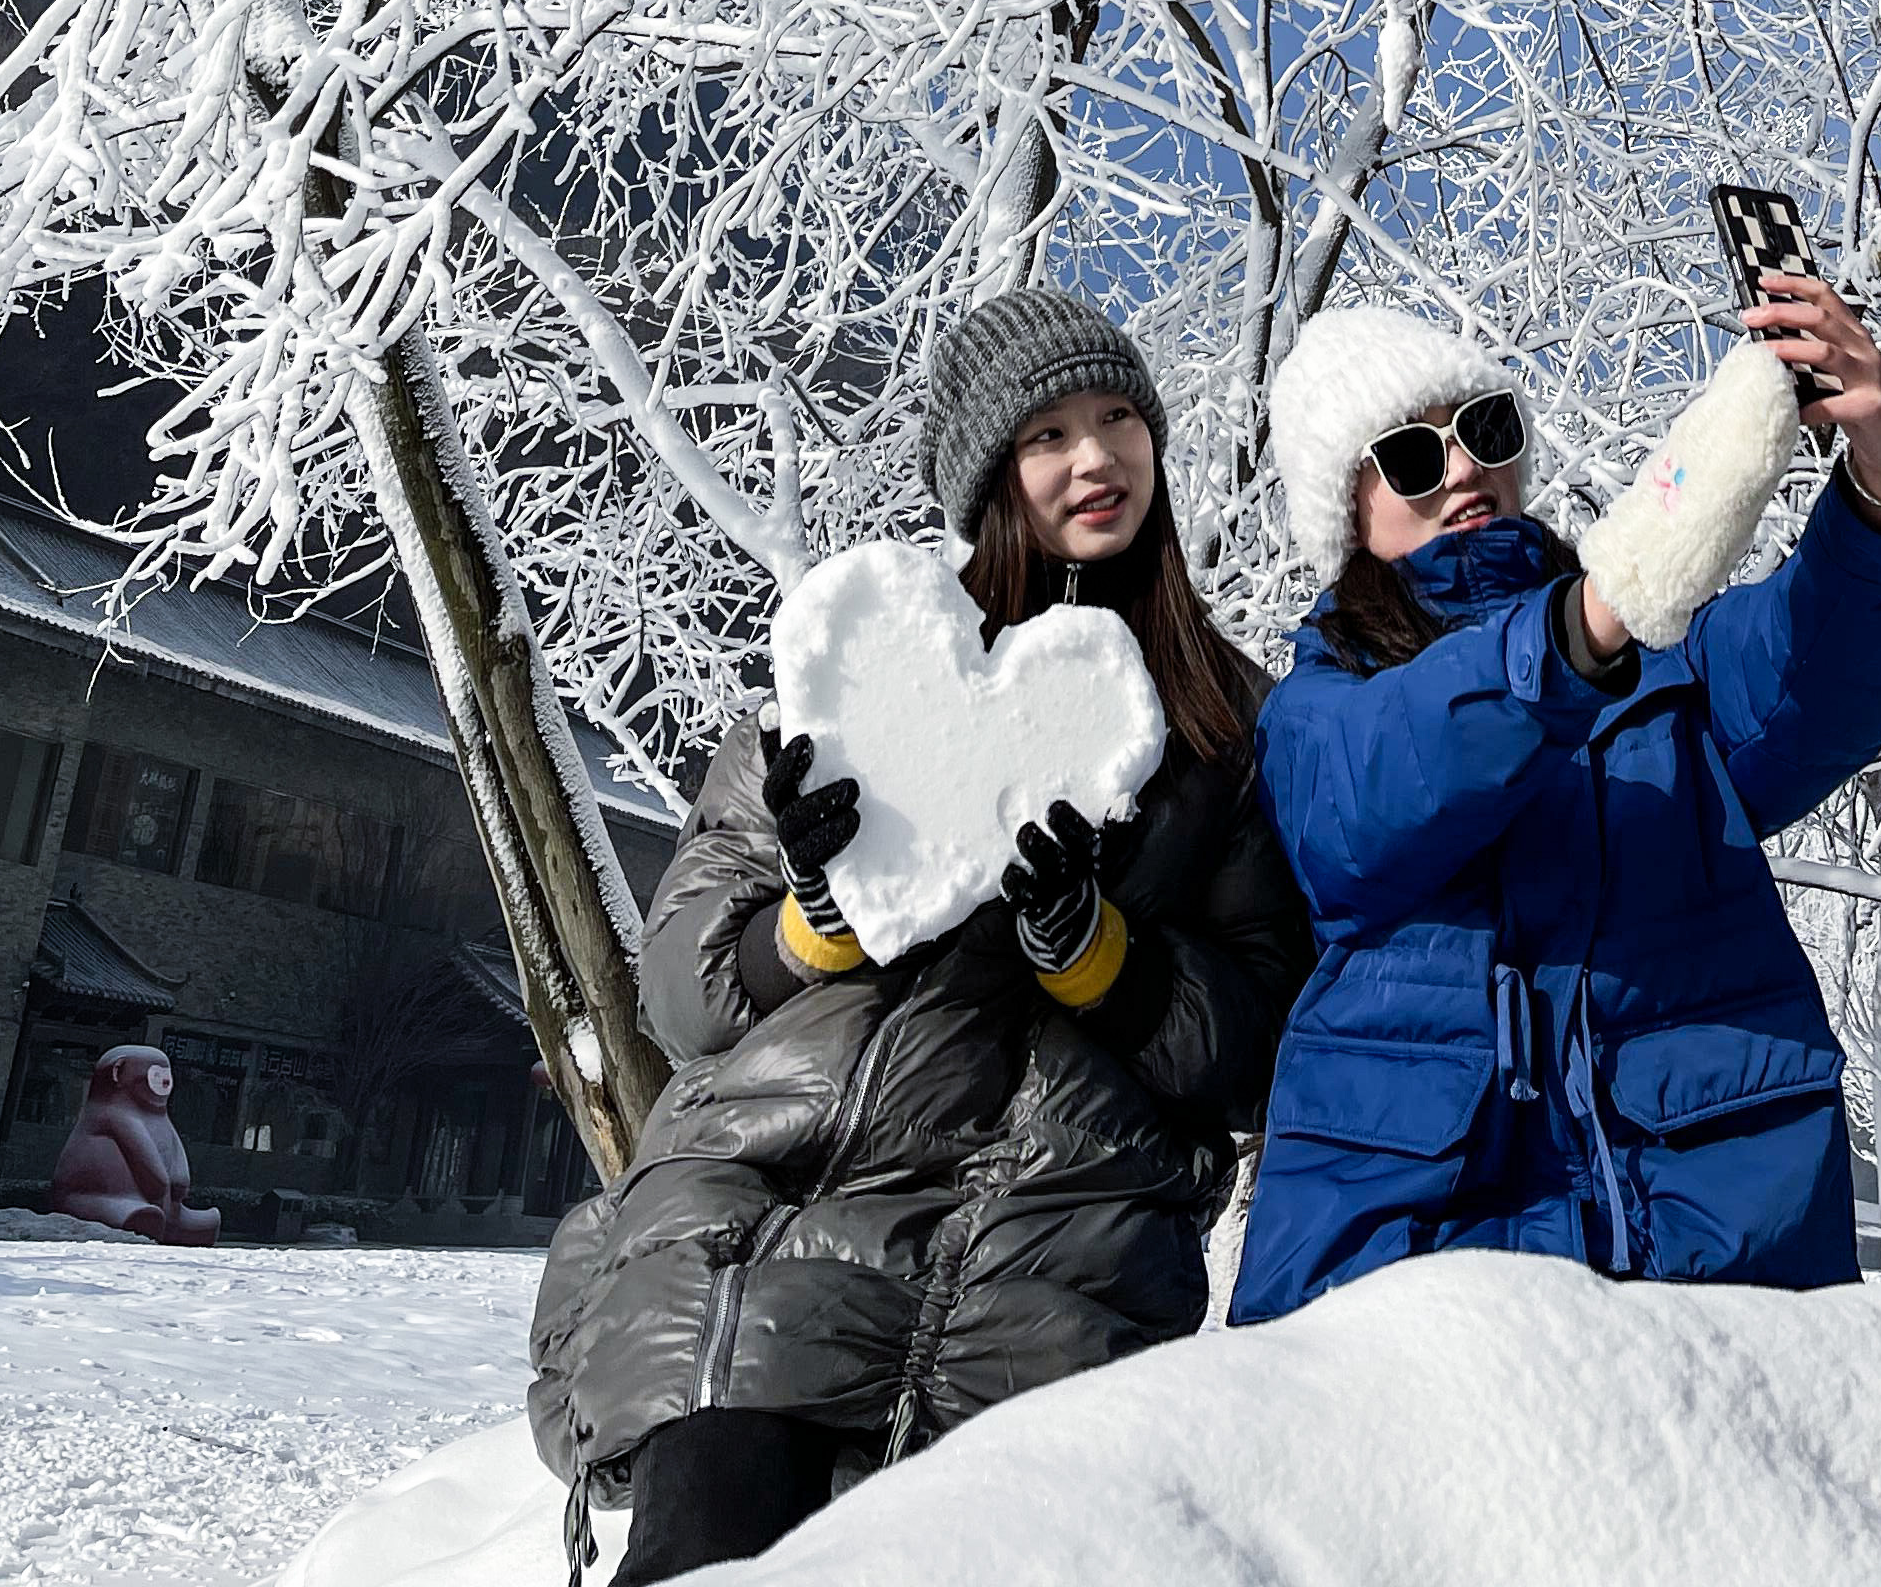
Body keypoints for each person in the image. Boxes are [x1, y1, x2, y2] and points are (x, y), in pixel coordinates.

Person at [529, 292, 1310, 1581]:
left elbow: (1261, 1043)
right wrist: (822, 919)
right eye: (1047, 433)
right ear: (989, 471)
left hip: (1047, 1238)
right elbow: (687, 992)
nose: (1097, 459)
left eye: (1119, 419)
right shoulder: (859, 665)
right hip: (772, 1211)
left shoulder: (1226, 729)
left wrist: (1100, 959)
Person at [1229, 257, 1881, 1323]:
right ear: (1347, 511)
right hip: (1418, 1277)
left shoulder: (1671, 672)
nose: (1462, 471)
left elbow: (1822, 667)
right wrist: (1590, 624)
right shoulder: (1319, 711)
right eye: (1409, 455)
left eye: (1484, 430)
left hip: (1711, 1245)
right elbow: (1386, 787)